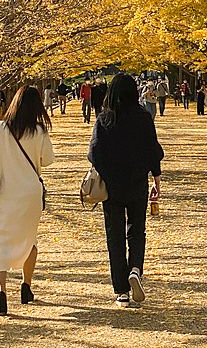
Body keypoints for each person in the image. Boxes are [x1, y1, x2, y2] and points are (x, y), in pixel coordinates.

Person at [0, 85, 54, 316]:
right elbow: (48, 160)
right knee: (29, 241)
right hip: (30, 195)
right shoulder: (39, 131)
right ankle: (26, 286)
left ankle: (1, 291)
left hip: (3, 193)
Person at [88, 73, 164, 307]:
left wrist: (107, 172)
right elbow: (153, 150)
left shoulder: (105, 119)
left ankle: (121, 290)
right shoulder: (143, 118)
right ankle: (135, 269)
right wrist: (156, 179)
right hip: (137, 182)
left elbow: (94, 153)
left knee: (115, 234)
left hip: (112, 186)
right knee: (137, 230)